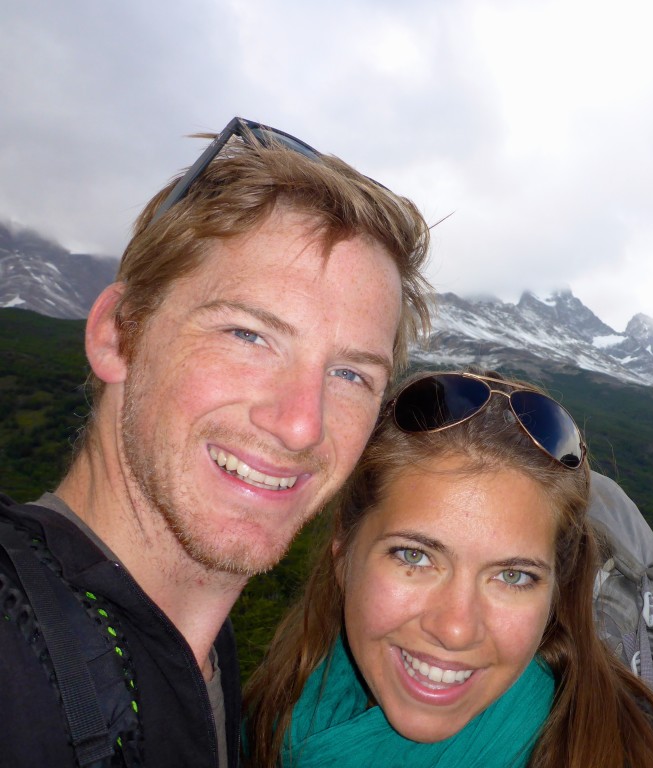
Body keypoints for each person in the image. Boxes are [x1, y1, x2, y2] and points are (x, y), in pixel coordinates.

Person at [0, 117, 432, 768]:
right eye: (248, 336)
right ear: (119, 336)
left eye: (349, 374)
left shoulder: (203, 655)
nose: (300, 425)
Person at [243, 370, 653, 768]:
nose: (455, 628)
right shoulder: (256, 722)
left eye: (513, 576)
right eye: (414, 556)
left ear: (556, 592)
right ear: (344, 552)